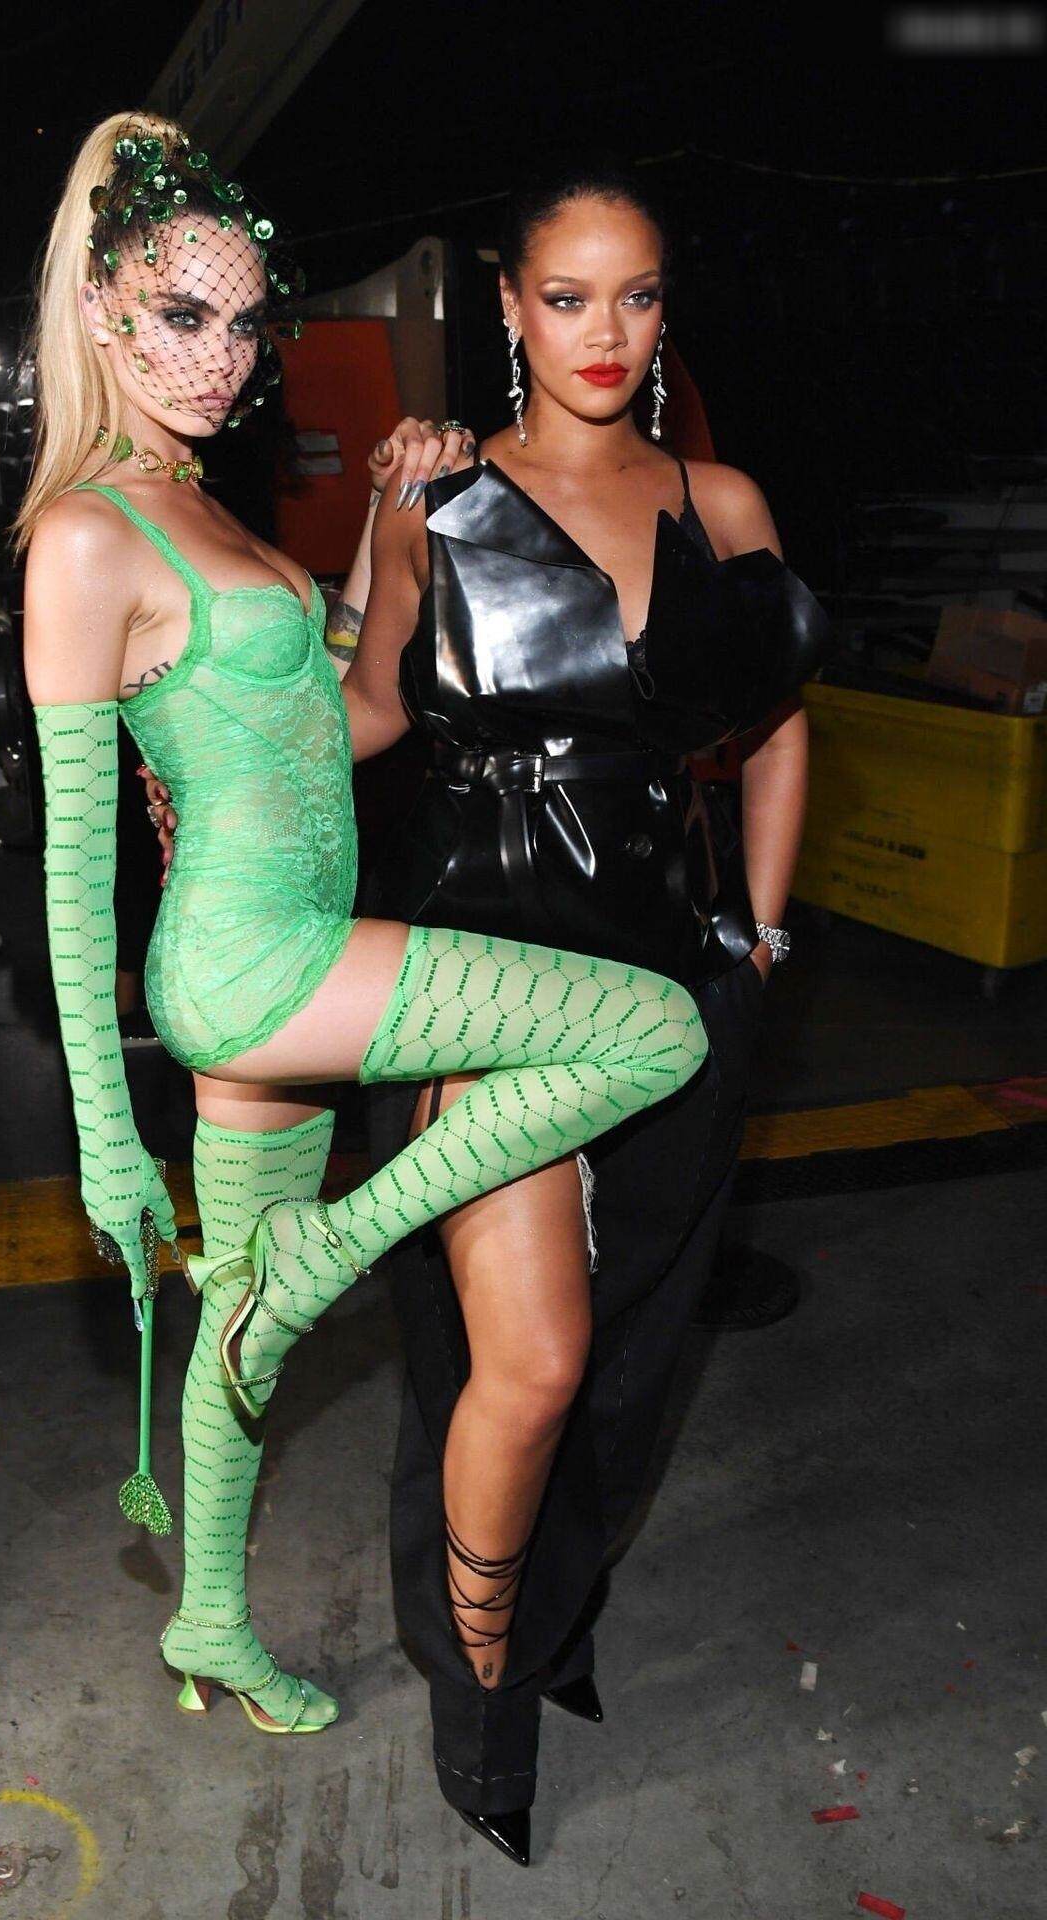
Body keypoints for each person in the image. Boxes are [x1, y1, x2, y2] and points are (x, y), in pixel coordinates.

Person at [17, 113, 707, 1770]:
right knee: (655, 1031)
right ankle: (332, 1259)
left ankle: (207, 1615)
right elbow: (71, 866)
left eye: (246, 322)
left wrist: (390, 528)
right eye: (183, 315)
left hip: (297, 952)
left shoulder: (194, 501)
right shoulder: (90, 533)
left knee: (234, 1329)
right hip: (249, 969)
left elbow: (337, 719)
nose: (221, 356)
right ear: (101, 308)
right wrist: (106, 1142)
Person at [321, 162, 824, 1861]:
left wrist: (762, 931)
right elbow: (371, 708)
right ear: (509, 309)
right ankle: (482, 1704)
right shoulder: (440, 498)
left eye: (638, 294)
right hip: (486, 983)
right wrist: (215, 738)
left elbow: (777, 727)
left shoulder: (721, 498)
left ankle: (556, 1619)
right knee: (517, 1367)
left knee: (626, 1365)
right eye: (566, 295)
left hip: (677, 982)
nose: (606, 331)